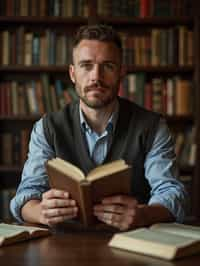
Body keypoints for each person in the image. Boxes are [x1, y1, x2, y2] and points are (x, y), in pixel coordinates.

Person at [10, 24, 188, 231]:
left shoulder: (152, 126)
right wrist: (40, 211)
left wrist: (143, 214)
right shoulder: (47, 128)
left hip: (131, 246)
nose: (96, 76)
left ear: (122, 72)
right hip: (62, 246)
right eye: (86, 65)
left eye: (108, 66)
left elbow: (172, 193)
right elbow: (25, 196)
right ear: (73, 73)